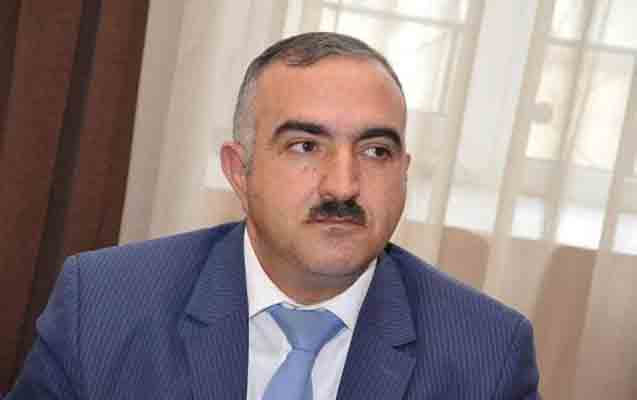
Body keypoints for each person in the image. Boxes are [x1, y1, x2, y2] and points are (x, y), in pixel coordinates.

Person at [7, 32, 540, 399]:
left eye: (375, 151)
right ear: (239, 171)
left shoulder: (487, 354)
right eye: (305, 146)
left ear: (404, 173)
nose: (343, 185)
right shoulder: (104, 304)